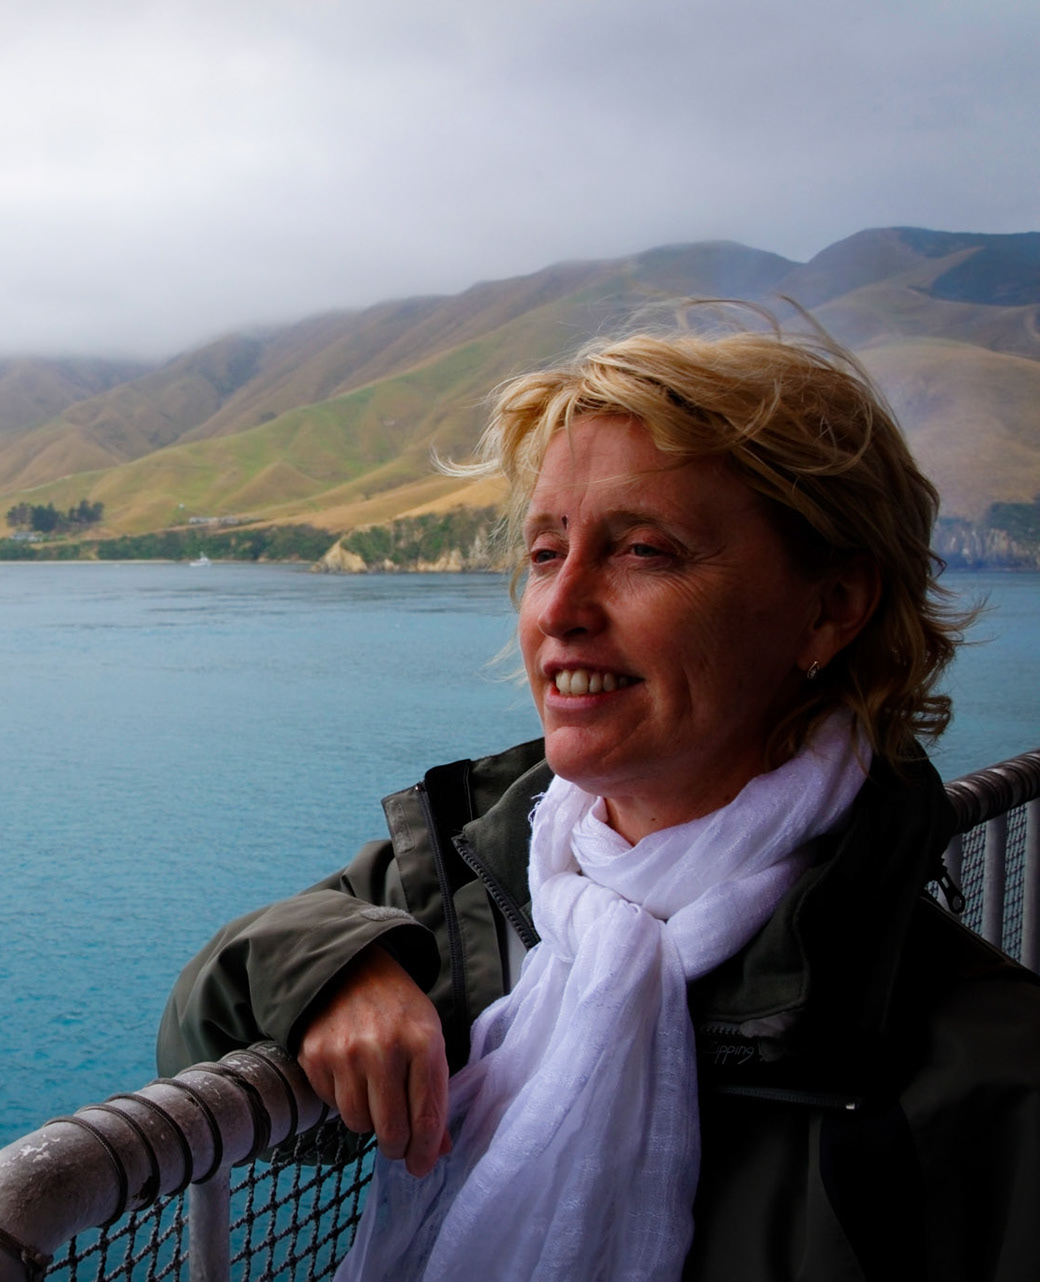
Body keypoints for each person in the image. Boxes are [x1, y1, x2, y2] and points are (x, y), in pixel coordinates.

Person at [155, 310, 1040, 1281]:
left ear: (831, 607)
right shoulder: (467, 887)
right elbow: (201, 1047)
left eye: (643, 550)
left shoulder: (990, 1080)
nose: (561, 608)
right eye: (546, 552)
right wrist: (329, 970)